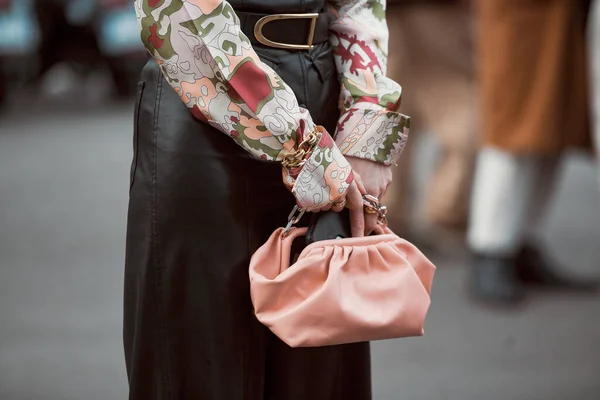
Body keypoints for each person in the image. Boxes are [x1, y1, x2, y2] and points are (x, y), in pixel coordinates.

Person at [123, 0, 409, 398]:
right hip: (202, 110)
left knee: (321, 375)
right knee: (201, 368)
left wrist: (368, 120)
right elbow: (177, 11)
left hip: (325, 98)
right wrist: (304, 148)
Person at [468, 0, 598, 305]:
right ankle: (490, 247)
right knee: (512, 128)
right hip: (522, 11)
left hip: (566, 14)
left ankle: (520, 243)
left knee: (551, 132)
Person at [384, 0, 477, 239]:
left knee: (389, 108)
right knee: (459, 104)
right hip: (436, 11)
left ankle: (387, 210)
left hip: (378, 10)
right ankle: (447, 209)